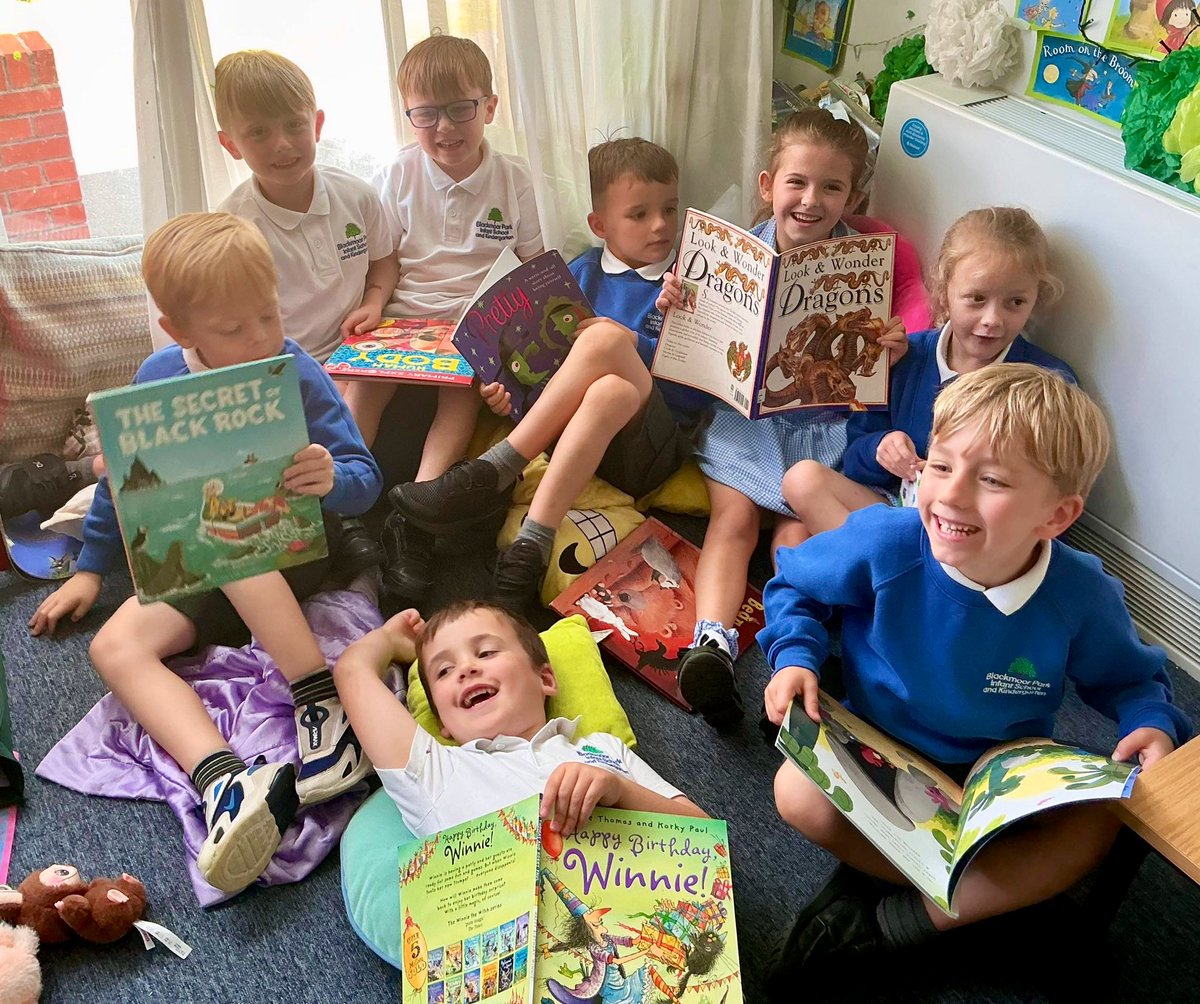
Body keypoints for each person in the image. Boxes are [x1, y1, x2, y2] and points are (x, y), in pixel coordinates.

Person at [758, 364, 1192, 986]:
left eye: (990, 480)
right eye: (939, 465)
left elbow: (1133, 679)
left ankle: (918, 915)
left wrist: (1150, 723)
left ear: (1057, 516)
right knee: (795, 795)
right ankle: (973, 907)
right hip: (879, 747)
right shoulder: (886, 541)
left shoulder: (1081, 593)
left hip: (998, 771)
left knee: (1109, 815)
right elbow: (794, 584)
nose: (951, 495)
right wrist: (795, 656)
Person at [27, 214, 384, 896]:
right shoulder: (157, 377)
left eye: (269, 314)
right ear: (178, 331)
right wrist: (92, 569)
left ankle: (324, 711)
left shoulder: (296, 371)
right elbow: (123, 486)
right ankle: (225, 782)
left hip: (293, 553)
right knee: (114, 647)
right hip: (200, 564)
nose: (260, 337)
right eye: (233, 328)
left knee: (230, 544)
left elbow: (365, 481)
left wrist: (331, 477)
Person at [657, 109, 930, 729]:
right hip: (746, 422)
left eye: (831, 188)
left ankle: (791, 661)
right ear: (768, 186)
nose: (811, 200)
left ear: (852, 198)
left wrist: (892, 349)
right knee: (732, 522)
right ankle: (711, 644)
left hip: (824, 427)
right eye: (797, 183)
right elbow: (687, 348)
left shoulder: (864, 264)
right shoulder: (731, 253)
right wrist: (673, 305)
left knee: (795, 538)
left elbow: (878, 357)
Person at [387, 138, 705, 609]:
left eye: (670, 209)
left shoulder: (688, 281)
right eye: (639, 214)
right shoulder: (578, 274)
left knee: (606, 341)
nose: (660, 225)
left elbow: (699, 393)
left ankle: (492, 470)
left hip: (652, 448)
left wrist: (636, 342)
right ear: (599, 225)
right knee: (610, 390)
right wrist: (505, 394)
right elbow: (546, 375)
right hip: (575, 440)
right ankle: (529, 550)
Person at [365, 35, 544, 604]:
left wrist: (514, 353)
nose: (444, 127)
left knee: (460, 398)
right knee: (361, 385)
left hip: (474, 326)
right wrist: (374, 305)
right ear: (407, 115)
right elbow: (384, 260)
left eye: (460, 108)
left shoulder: (514, 178)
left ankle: (414, 521)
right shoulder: (396, 175)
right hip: (405, 319)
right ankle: (343, 504)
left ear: (489, 107)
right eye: (426, 114)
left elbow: (534, 268)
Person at [782, 206, 1075, 536]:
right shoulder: (907, 355)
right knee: (802, 480)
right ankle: (889, 562)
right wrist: (881, 448)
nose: (992, 319)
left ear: (1035, 298)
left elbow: (1055, 501)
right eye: (976, 299)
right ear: (946, 291)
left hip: (977, 535)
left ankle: (886, 565)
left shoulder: (1048, 384)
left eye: (1015, 302)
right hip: (900, 512)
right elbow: (854, 458)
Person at [214, 49, 396, 572]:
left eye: (294, 125)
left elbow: (385, 261)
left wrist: (373, 301)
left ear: (316, 124)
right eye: (259, 132)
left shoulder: (357, 196)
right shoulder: (234, 227)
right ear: (232, 144)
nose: (282, 144)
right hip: (286, 366)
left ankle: (348, 505)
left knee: (366, 384)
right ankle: (346, 518)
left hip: (360, 351)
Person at [332, 599, 707, 838]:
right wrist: (390, 640)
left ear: (545, 679)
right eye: (444, 671)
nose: (465, 670)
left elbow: (707, 840)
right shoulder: (434, 771)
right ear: (442, 722)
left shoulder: (603, 748)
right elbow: (352, 672)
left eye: (486, 652)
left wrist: (619, 791)